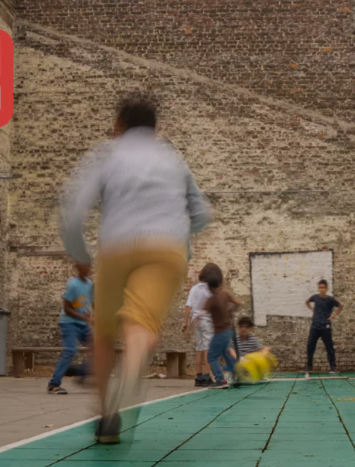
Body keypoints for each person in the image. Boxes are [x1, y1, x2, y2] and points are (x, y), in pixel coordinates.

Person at [61, 97, 211, 444]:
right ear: (154, 128)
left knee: (103, 334)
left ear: (120, 125)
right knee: (140, 322)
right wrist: (180, 231)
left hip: (117, 246)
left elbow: (74, 209)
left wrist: (80, 253)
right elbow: (202, 214)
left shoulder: (107, 155)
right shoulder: (173, 160)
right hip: (166, 249)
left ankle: (106, 417)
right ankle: (133, 369)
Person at [47, 263, 94, 395]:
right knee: (70, 351)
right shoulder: (72, 284)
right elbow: (67, 309)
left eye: (88, 266)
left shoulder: (89, 284)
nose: (87, 268)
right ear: (78, 268)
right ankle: (53, 384)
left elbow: (92, 302)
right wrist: (83, 316)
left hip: (83, 324)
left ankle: (80, 372)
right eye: (84, 266)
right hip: (69, 323)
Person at [181, 263, 220, 387]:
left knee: (199, 348)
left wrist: (185, 322)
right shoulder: (210, 289)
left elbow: (188, 306)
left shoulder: (194, 288)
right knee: (208, 348)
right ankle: (207, 375)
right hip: (206, 320)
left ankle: (198, 377)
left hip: (195, 320)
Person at [203, 265, 242, 389]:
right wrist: (230, 311)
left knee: (211, 356)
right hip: (229, 330)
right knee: (226, 354)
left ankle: (220, 380)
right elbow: (239, 303)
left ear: (209, 286)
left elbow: (202, 313)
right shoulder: (225, 294)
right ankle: (238, 375)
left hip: (220, 331)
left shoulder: (211, 299)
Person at [305, 280, 343, 376]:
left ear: (326, 289)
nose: (322, 289)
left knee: (329, 347)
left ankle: (333, 367)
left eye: (323, 287)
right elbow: (307, 302)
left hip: (325, 326)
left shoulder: (330, 299)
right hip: (315, 326)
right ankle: (309, 366)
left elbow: (340, 306)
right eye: (320, 287)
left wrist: (333, 316)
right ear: (319, 288)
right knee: (310, 346)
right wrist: (312, 309)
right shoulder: (315, 297)